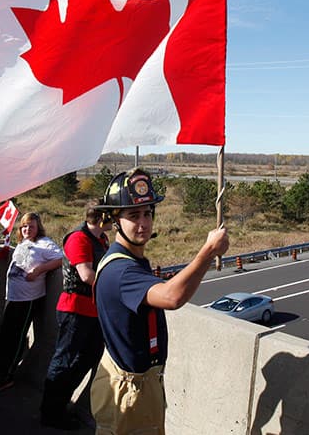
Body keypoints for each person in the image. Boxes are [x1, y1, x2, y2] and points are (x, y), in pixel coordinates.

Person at [91, 168, 229, 435]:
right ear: (116, 220)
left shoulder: (125, 259)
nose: (143, 223)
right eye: (133, 215)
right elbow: (172, 296)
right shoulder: (122, 272)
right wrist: (208, 251)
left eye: (147, 213)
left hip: (135, 381)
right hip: (131, 389)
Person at [40, 202, 112, 429]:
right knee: (64, 360)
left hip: (92, 310)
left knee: (87, 358)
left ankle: (61, 404)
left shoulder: (100, 239)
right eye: (112, 217)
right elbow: (86, 274)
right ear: (102, 219)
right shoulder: (78, 239)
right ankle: (50, 413)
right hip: (75, 309)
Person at [0, 212, 64, 393]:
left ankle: (6, 375)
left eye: (31, 226)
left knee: (16, 338)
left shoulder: (45, 243)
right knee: (4, 334)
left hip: (28, 299)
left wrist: (40, 269)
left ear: (38, 227)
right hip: (13, 296)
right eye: (24, 226)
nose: (27, 229)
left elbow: (60, 258)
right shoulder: (24, 242)